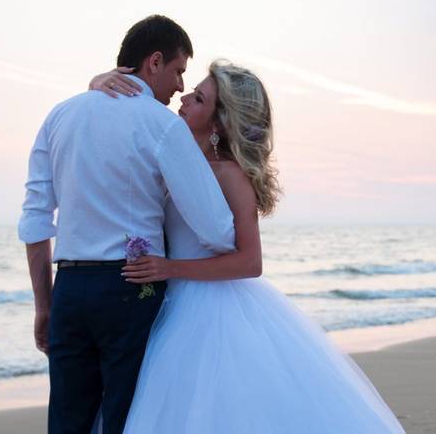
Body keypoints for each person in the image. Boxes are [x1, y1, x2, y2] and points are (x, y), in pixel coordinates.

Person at [89, 60, 406, 433]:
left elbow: (250, 261)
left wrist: (169, 268)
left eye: (200, 98)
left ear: (219, 123)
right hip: (170, 302)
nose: (186, 97)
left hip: (209, 310)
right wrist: (98, 82)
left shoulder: (230, 173)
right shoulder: (179, 157)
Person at [18, 15, 238, 434]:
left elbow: (35, 219)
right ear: (154, 61)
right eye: (178, 71)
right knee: (126, 419)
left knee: (67, 421)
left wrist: (44, 305)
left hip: (69, 291)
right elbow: (216, 231)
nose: (179, 86)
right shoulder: (162, 124)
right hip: (131, 287)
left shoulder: (60, 115)